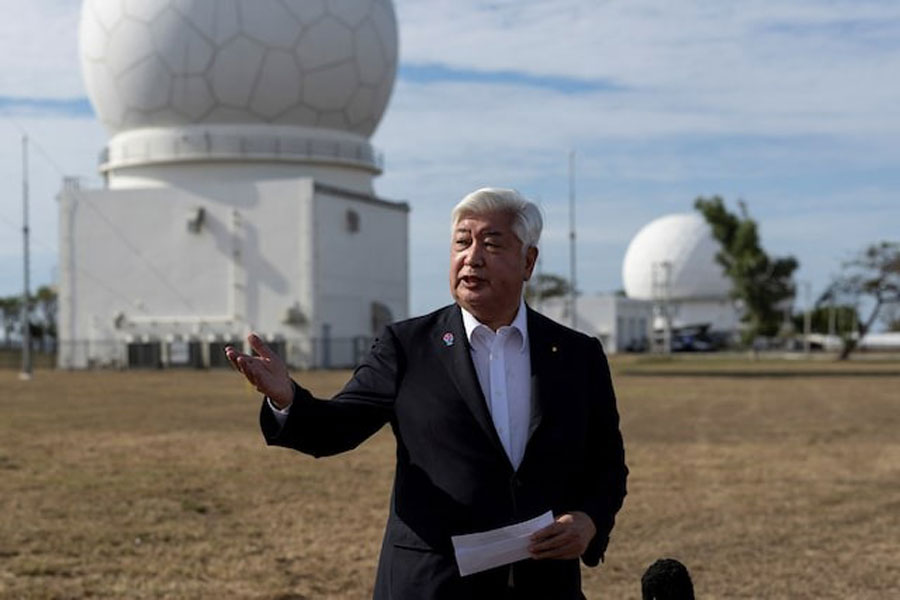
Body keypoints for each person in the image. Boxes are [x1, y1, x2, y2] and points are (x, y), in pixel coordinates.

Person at [226, 187, 628, 599]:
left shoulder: (578, 355)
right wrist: (287, 397)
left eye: (491, 243)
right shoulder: (407, 345)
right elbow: (337, 428)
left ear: (528, 261)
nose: (472, 257)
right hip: (432, 584)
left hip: (544, 586)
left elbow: (608, 465)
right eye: (461, 243)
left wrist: (589, 519)